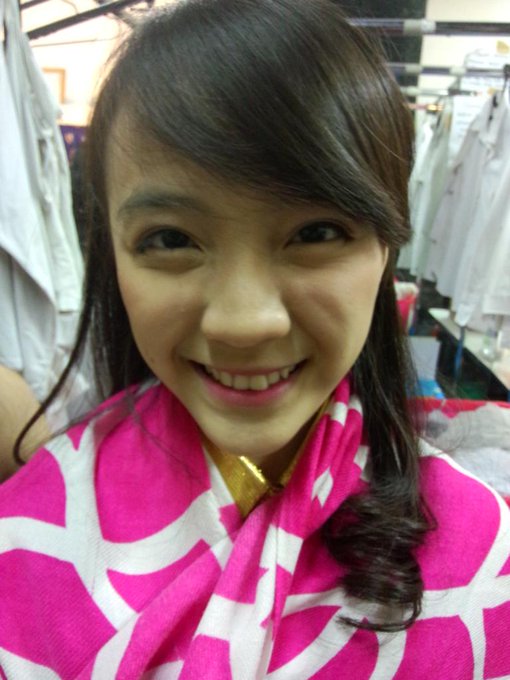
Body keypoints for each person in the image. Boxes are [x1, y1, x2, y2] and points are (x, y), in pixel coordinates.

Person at [1, 1, 509, 677]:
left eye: (316, 233)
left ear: (387, 248)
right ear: (111, 255)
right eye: (170, 239)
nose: (244, 323)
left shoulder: (485, 557)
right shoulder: (26, 534)